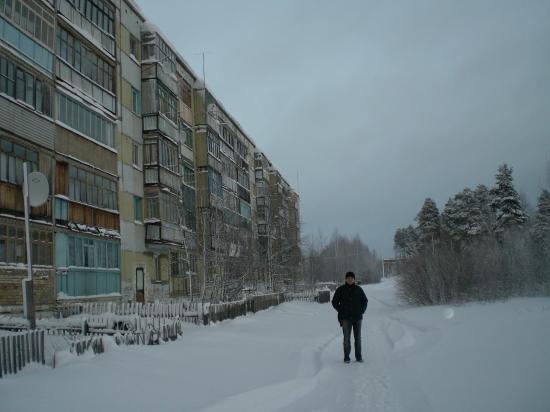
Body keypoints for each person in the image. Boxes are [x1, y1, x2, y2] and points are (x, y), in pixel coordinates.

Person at [331, 271, 368, 363]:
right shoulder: (340, 289)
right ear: (345, 279)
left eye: (352, 278)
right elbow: (334, 302)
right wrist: (341, 310)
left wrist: (362, 311)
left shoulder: (359, 289)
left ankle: (358, 357)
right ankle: (346, 357)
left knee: (358, 338)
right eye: (348, 278)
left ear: (354, 279)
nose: (350, 279)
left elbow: (365, 301)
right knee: (346, 338)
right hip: (345, 318)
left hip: (357, 318)